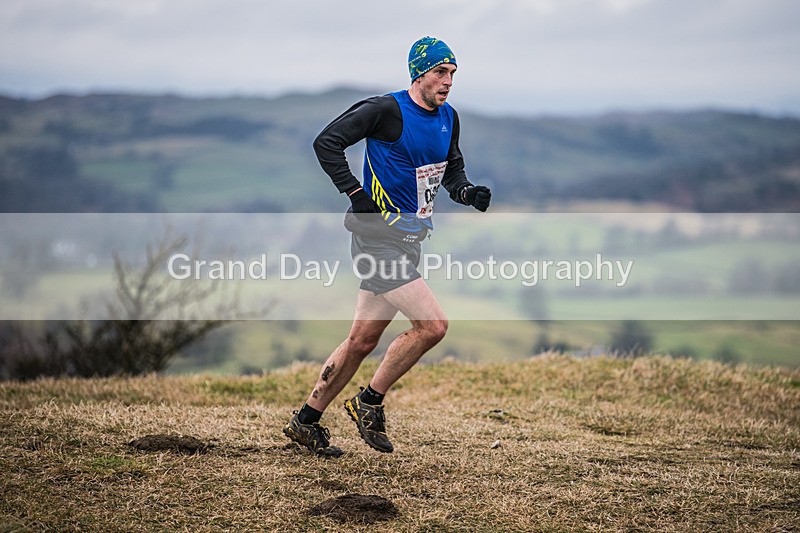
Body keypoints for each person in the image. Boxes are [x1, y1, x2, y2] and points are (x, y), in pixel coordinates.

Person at [283, 36, 492, 457]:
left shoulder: (449, 117)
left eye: (452, 73)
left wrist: (467, 192)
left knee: (362, 340)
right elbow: (326, 143)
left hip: (410, 241)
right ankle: (369, 402)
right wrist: (356, 195)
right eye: (440, 72)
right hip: (376, 241)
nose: (448, 81)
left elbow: (451, 170)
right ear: (419, 73)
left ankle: (305, 422)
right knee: (433, 326)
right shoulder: (385, 110)